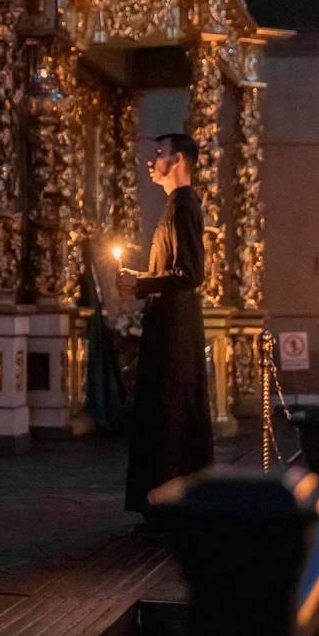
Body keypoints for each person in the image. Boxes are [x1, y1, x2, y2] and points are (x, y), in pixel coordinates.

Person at [116, 132, 212, 519]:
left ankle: (173, 501)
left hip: (176, 329)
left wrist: (142, 283)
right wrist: (143, 279)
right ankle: (163, 500)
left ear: (178, 162)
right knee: (163, 410)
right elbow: (171, 271)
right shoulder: (175, 206)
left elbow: (190, 273)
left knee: (172, 412)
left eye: (159, 154)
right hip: (168, 323)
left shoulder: (185, 205)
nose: (151, 161)